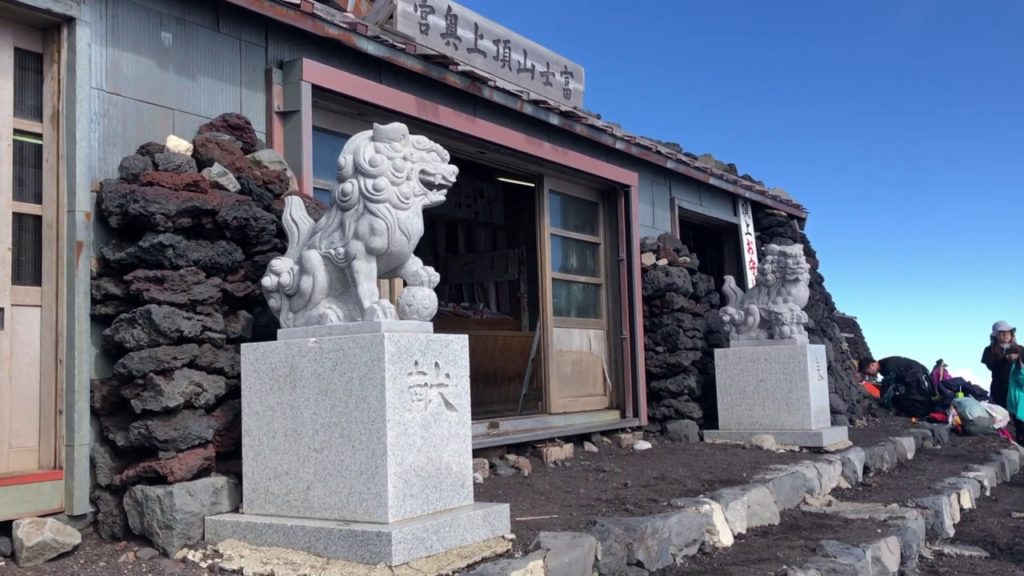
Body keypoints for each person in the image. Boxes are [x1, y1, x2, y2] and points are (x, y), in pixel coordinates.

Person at [982, 321, 1018, 409]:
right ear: (995, 335)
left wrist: (1018, 359)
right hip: (999, 388)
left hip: (1018, 389)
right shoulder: (989, 350)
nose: (1006, 334)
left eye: (1008, 331)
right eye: (1002, 332)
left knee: (1019, 418)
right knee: (1001, 416)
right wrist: (1005, 359)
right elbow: (990, 366)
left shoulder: (1019, 349)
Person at [1007, 345, 1024, 444]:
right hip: (1017, 400)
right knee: (1020, 426)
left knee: (1020, 426)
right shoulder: (1016, 367)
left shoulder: (1017, 367)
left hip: (1017, 400)